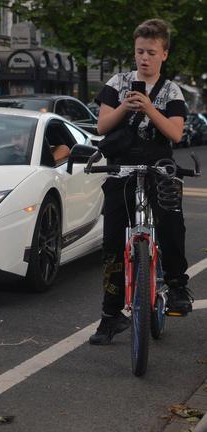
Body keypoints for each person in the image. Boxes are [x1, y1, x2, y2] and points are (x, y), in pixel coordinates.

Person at [89, 19, 190, 345]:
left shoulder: (172, 90)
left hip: (159, 167)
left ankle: (176, 286)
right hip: (122, 169)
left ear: (164, 53)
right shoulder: (118, 82)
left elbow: (175, 133)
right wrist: (125, 107)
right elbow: (103, 126)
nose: (144, 58)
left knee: (172, 221)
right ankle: (110, 315)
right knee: (112, 241)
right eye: (139, 52)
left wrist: (149, 107)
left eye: (150, 52)